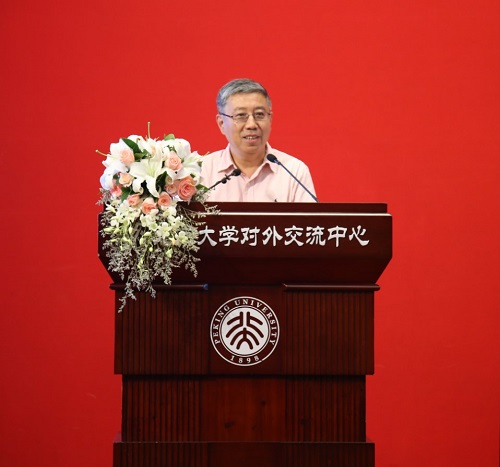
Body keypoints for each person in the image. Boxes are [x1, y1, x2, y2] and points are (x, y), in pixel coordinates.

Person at [201, 78, 317, 202]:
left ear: (270, 119)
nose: (251, 124)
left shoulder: (294, 171)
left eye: (259, 114)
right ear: (221, 123)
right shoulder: (202, 171)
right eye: (240, 115)